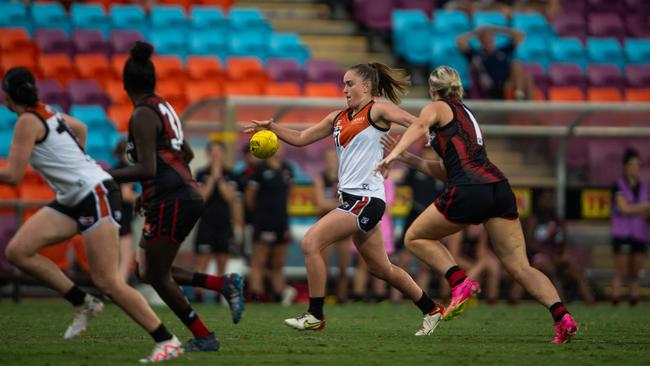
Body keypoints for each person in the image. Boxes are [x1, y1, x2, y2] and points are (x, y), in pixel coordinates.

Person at [376, 65, 578, 343]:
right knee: (520, 266)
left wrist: (392, 155)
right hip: (499, 187)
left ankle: (460, 281)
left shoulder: (437, 106)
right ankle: (562, 317)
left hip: (470, 188)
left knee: (414, 237)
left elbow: (421, 126)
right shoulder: (466, 114)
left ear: (434, 90)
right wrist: (407, 159)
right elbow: (448, 169)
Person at [245, 62, 445, 336]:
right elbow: (303, 138)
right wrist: (274, 127)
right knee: (381, 268)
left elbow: (419, 124)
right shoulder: (337, 118)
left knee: (310, 242)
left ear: (366, 86)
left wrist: (416, 146)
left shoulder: (378, 110)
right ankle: (431, 309)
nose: (345, 89)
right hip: (352, 200)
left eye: (350, 83)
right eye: (343, 84)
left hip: (366, 199)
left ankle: (315, 314)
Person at [0, 66, 182, 363]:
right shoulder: (46, 111)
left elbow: (13, 176)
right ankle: (83, 302)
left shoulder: (26, 122)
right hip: (76, 195)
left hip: (92, 194)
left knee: (108, 281)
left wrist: (79, 171)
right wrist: (78, 165)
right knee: (18, 251)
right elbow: (81, 128)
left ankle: (167, 339)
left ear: (8, 95)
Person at [107, 41, 244, 353]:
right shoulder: (163, 107)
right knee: (147, 270)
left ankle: (205, 336)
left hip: (173, 198)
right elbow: (187, 152)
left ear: (126, 84)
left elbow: (146, 167)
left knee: (155, 274)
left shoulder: (142, 114)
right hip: (173, 195)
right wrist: (149, 193)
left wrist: (104, 175)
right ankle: (222, 284)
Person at [514, 190, 595, 304]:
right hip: (538, 257)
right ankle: (560, 303)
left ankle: (590, 301)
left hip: (555, 256)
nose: (548, 201)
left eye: (551, 199)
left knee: (572, 265)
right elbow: (529, 243)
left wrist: (562, 254)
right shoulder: (534, 219)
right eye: (545, 198)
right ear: (539, 201)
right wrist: (548, 253)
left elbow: (564, 241)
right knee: (549, 269)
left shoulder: (557, 220)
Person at [390, 146, 446, 302]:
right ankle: (395, 298)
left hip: (432, 221)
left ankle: (424, 299)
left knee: (426, 263)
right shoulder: (414, 171)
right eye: (426, 151)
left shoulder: (441, 174)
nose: (428, 154)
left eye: (432, 151)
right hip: (413, 216)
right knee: (404, 259)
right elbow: (398, 177)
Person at [244, 145, 295, 304]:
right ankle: (256, 295)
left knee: (278, 263)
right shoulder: (260, 169)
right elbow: (249, 198)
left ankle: (279, 296)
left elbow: (289, 194)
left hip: (282, 222)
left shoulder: (287, 169)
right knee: (258, 262)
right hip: (264, 222)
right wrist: (260, 216)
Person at [193, 141, 243, 301]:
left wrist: (219, 178)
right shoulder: (201, 173)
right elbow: (202, 197)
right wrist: (212, 179)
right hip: (206, 223)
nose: (215, 155)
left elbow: (230, 197)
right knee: (203, 262)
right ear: (208, 154)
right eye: (212, 152)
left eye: (218, 152)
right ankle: (199, 295)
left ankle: (218, 295)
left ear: (223, 154)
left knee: (222, 262)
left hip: (224, 224)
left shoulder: (231, 174)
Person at [610, 148, 650, 306]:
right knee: (621, 270)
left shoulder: (644, 187)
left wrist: (639, 209)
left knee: (635, 272)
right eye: (632, 164)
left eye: (637, 164)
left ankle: (634, 300)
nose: (635, 168)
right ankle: (616, 299)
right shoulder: (618, 186)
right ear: (625, 166)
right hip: (622, 234)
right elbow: (623, 208)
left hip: (639, 233)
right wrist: (643, 207)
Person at [313, 148, 352, 303]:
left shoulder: (346, 177)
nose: (332, 162)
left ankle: (342, 298)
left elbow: (350, 203)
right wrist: (341, 205)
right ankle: (320, 298)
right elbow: (320, 204)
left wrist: (333, 205)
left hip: (343, 227)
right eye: (329, 159)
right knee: (324, 266)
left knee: (343, 267)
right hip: (326, 226)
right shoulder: (320, 178)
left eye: (334, 159)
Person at [456, 26, 535, 100]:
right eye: (485, 38)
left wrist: (496, 29)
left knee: (525, 74)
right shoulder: (477, 55)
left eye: (490, 37)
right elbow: (460, 41)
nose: (488, 40)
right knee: (517, 65)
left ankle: (522, 99)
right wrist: (477, 32)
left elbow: (521, 35)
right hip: (495, 86)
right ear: (481, 40)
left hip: (509, 82)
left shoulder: (502, 51)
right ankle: (520, 97)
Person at [444, 225, 502, 304]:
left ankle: (492, 300)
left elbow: (481, 255)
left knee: (492, 265)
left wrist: (478, 266)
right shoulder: (458, 232)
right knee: (476, 268)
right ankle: (455, 296)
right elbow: (453, 257)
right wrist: (474, 267)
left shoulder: (482, 233)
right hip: (456, 262)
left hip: (473, 263)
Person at [113, 139, 138, 281]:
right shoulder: (127, 170)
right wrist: (143, 199)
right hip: (122, 217)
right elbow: (126, 194)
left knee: (116, 257)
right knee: (126, 255)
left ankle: (113, 287)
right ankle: (119, 287)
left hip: (115, 216)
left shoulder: (116, 168)